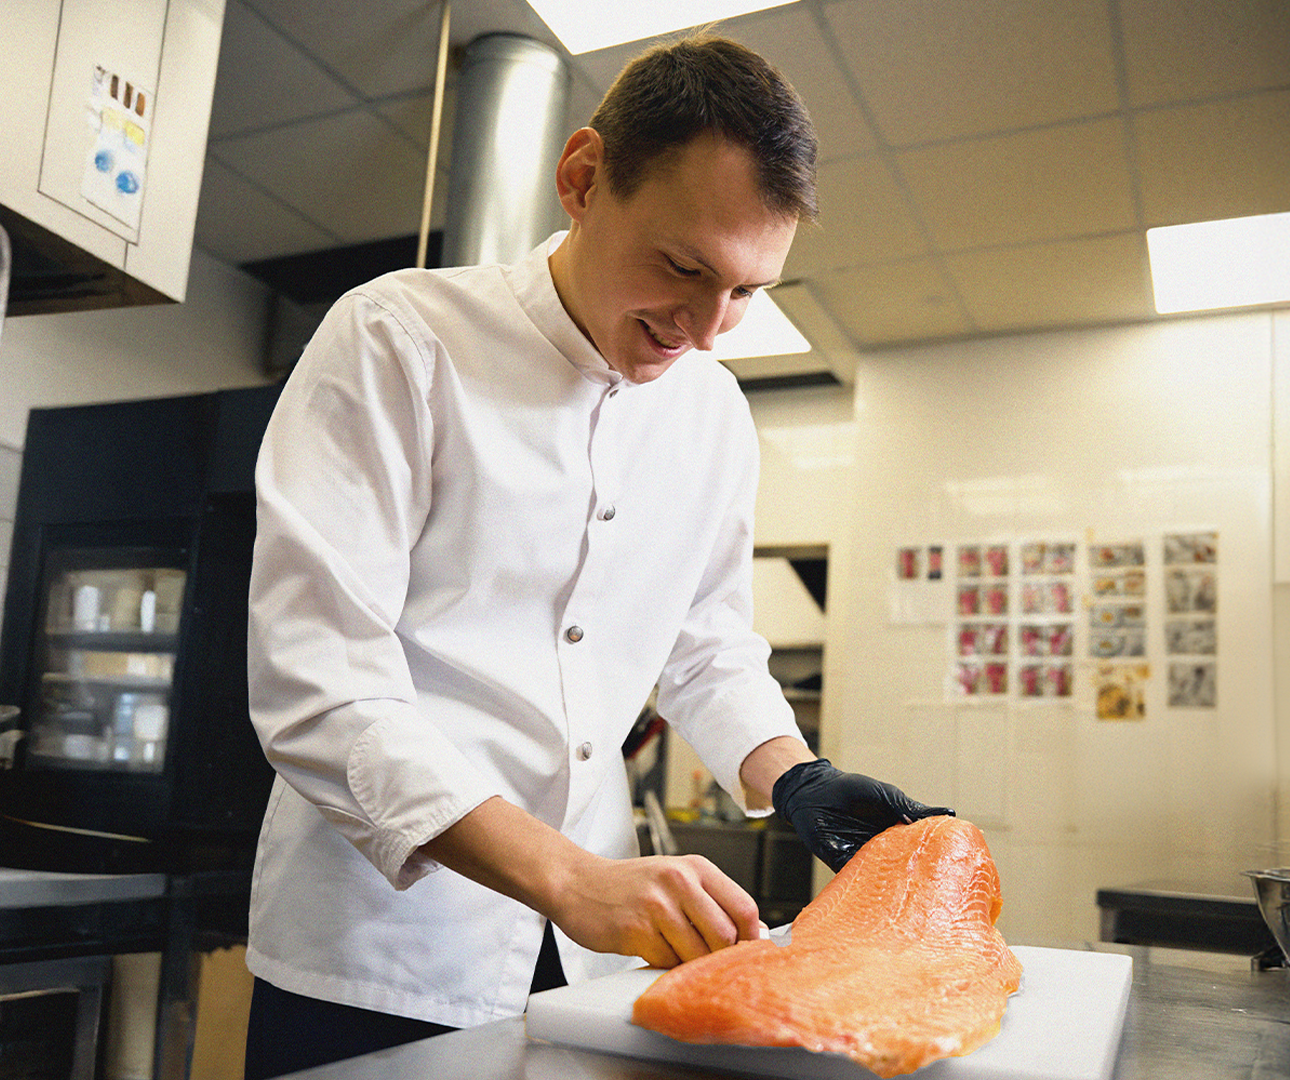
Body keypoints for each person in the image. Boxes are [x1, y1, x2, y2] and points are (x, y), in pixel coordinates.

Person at [241, 31, 949, 1079]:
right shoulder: (399, 340)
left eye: (749, 291)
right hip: (380, 951)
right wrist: (566, 875)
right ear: (582, 179)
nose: (707, 329)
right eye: (684, 266)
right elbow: (319, 684)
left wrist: (794, 775)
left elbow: (705, 644)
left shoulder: (711, 412)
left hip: (591, 961)